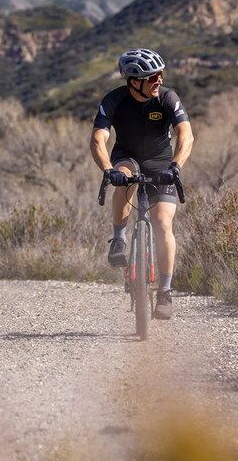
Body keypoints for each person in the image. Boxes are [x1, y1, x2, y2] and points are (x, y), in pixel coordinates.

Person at [89, 48, 194, 320]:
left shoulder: (168, 98)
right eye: (152, 77)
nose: (158, 80)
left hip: (161, 162)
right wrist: (108, 170)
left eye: (159, 75)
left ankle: (165, 292)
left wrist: (176, 166)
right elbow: (98, 139)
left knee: (162, 224)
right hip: (127, 157)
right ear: (134, 81)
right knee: (124, 179)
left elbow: (186, 135)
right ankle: (119, 240)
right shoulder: (114, 100)